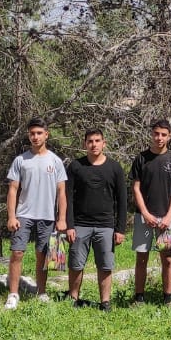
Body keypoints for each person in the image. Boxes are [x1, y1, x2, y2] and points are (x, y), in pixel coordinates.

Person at [3, 118, 68, 310]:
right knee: (17, 253)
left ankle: (41, 292)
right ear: (28, 135)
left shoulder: (55, 161)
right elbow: (13, 190)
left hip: (47, 216)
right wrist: (11, 216)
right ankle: (13, 294)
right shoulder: (20, 160)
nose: (35, 136)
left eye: (39, 133)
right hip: (23, 215)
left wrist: (62, 218)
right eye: (32, 133)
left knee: (42, 255)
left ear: (46, 135)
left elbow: (62, 192)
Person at [64, 128, 127, 311]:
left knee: (105, 266)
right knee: (76, 264)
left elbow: (122, 200)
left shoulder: (114, 168)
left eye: (97, 141)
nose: (94, 144)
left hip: (106, 226)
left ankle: (105, 302)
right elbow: (67, 197)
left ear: (104, 143)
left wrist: (120, 229)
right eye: (90, 141)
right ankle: (73, 298)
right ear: (85, 144)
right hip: (80, 224)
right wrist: (69, 225)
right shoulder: (76, 166)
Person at [129, 120, 171, 305]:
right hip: (143, 218)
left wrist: (169, 216)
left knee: (167, 258)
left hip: (165, 218)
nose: (159, 138)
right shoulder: (141, 158)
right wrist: (145, 213)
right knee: (141, 257)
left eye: (163, 134)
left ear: (169, 136)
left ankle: (167, 298)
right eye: (156, 134)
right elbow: (136, 188)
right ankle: (139, 297)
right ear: (151, 134)